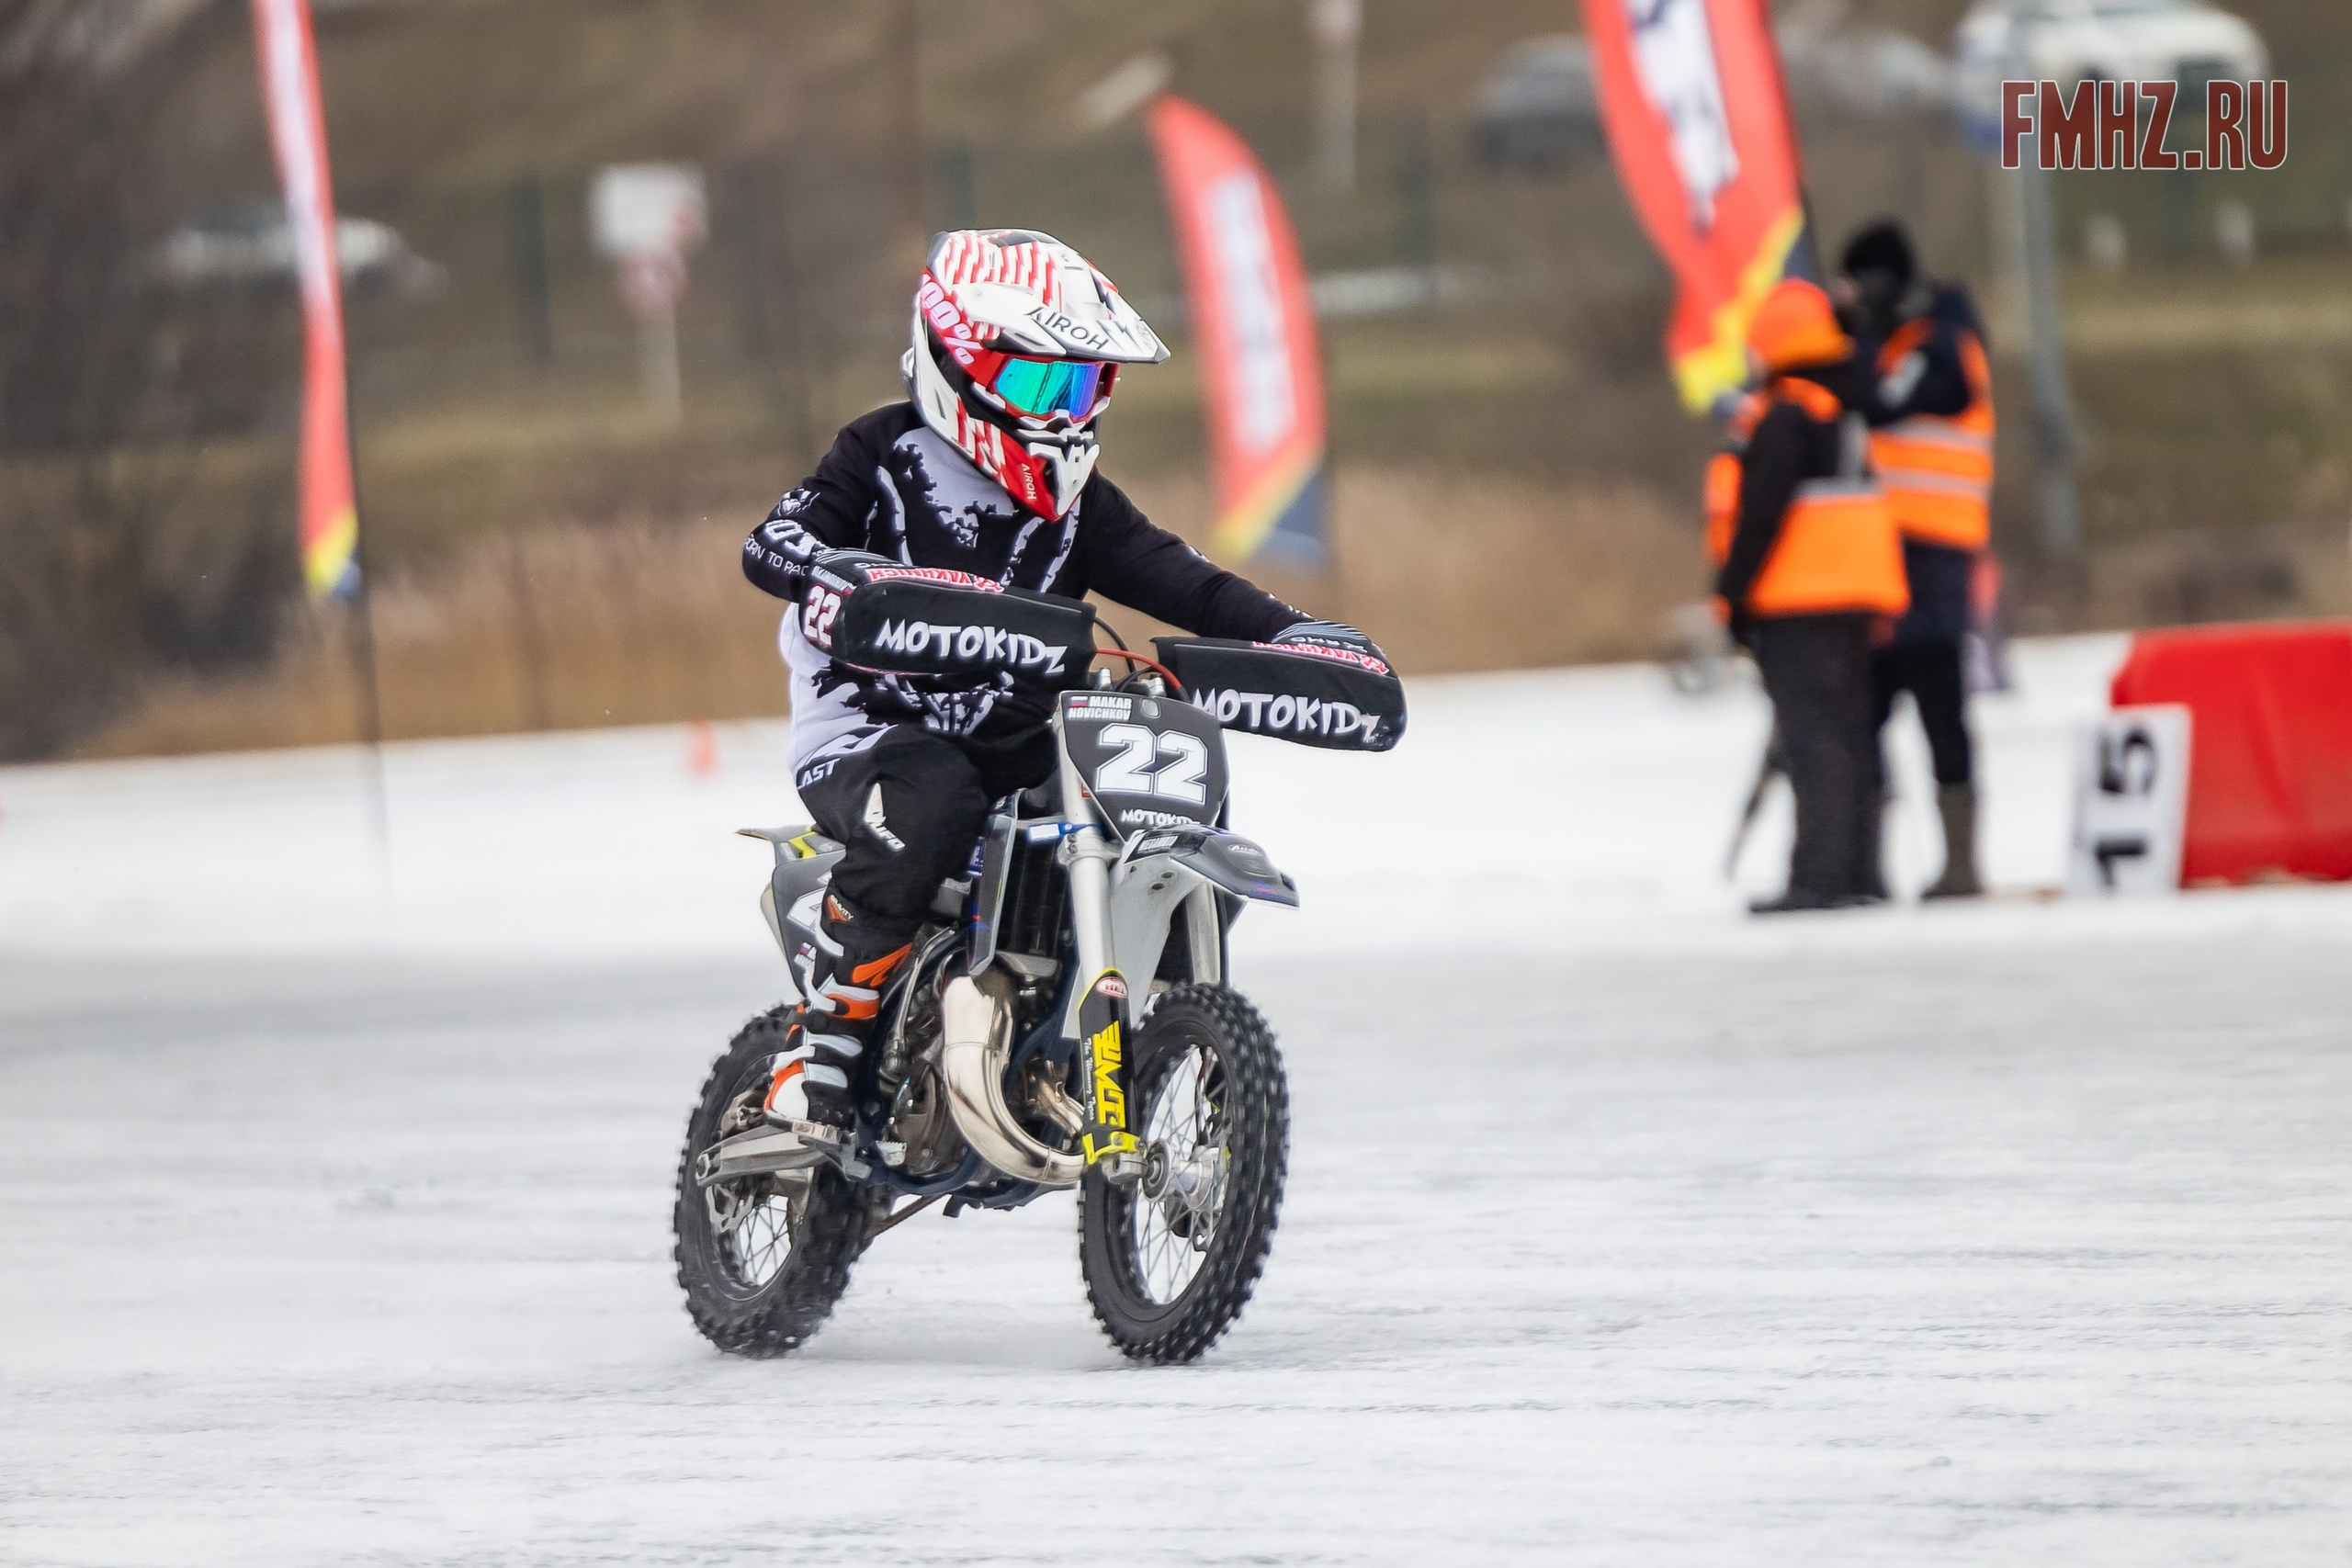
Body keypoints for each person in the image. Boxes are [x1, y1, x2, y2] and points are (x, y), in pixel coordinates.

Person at [741, 228, 1376, 1160]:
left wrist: (1296, 634)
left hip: (1019, 731)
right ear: (959, 365)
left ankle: (1120, 1016)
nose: (1065, 412)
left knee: (1154, 775)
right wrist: (833, 571)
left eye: (1083, 388)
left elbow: (1188, 583)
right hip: (871, 730)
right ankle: (824, 1046)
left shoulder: (1081, 508)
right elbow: (772, 542)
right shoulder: (879, 453)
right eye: (1042, 386)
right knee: (932, 803)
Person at [1709, 278, 1909, 914]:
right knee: (1853, 735)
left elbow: (1761, 513)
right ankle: (1862, 872)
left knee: (1812, 740)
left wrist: (1731, 596)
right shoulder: (1845, 407)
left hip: (1799, 599)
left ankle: (1819, 877)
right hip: (1857, 595)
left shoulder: (1789, 410)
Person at [1837, 220, 1996, 899]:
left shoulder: (1941, 343)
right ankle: (1866, 861)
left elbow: (1884, 401)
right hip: (1878, 553)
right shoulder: (1901, 340)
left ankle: (1960, 865)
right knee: (1866, 707)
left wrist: (1861, 336)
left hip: (1930, 552)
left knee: (1938, 704)